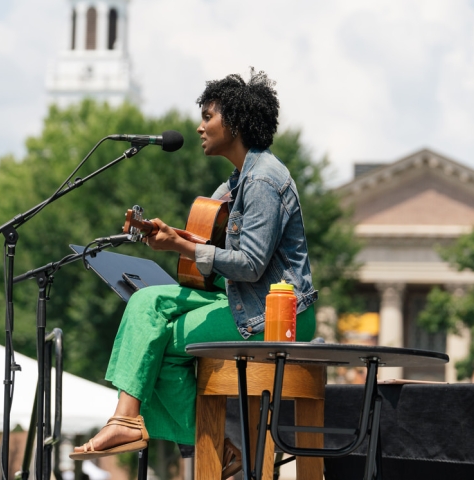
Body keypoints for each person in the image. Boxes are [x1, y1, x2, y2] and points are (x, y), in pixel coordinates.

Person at [71, 68, 318, 460]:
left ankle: (201, 444)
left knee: (153, 345)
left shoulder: (264, 180)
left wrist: (179, 248)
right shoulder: (236, 183)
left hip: (277, 317)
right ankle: (138, 423)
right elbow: (207, 243)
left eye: (208, 117)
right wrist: (170, 235)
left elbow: (251, 265)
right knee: (146, 304)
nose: (199, 127)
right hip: (242, 305)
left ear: (234, 123)